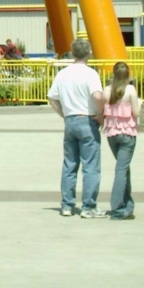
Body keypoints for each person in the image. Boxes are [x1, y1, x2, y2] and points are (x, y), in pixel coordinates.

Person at [47, 38, 106, 218]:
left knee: (70, 164)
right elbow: (96, 95)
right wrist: (102, 112)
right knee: (90, 166)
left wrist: (64, 115)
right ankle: (88, 206)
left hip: (71, 121)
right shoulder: (90, 74)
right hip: (87, 120)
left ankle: (67, 205)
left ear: (72, 53)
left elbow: (52, 98)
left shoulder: (63, 74)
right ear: (89, 53)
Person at [102, 61, 141, 220]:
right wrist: (139, 104)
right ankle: (118, 208)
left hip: (112, 133)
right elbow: (137, 113)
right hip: (127, 133)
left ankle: (127, 204)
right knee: (121, 170)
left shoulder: (107, 90)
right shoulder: (130, 90)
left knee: (124, 168)